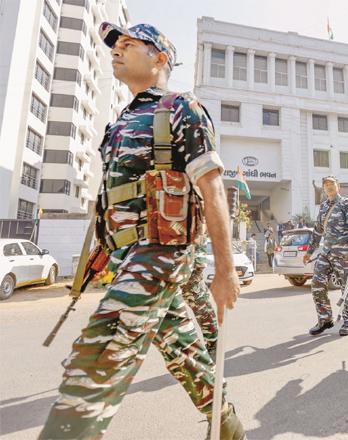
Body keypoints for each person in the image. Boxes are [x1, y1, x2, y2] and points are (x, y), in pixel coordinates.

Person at [39, 23, 244, 439]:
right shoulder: (121, 121)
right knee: (184, 353)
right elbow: (115, 198)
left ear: (160, 58)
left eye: (129, 44)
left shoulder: (179, 108)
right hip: (126, 255)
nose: (117, 50)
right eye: (115, 46)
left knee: (102, 350)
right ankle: (230, 427)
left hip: (162, 252)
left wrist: (225, 269)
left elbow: (211, 186)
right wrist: (103, 249)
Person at [303, 176, 348, 336]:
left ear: (338, 186)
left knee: (346, 289)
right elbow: (317, 231)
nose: (328, 186)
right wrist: (309, 251)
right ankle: (325, 319)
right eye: (326, 184)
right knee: (317, 285)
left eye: (331, 184)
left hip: (343, 254)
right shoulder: (323, 207)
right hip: (326, 253)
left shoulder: (345, 204)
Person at [182, 240, 219, 357]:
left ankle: (212, 351)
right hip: (160, 263)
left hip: (190, 268)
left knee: (204, 312)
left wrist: (198, 263)